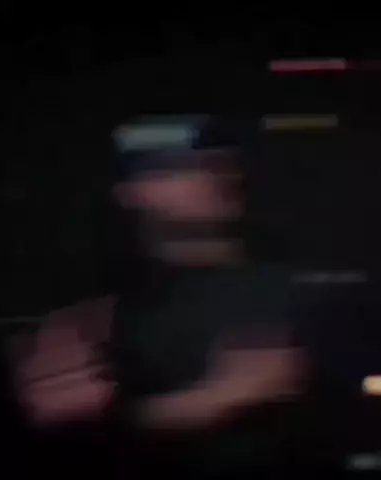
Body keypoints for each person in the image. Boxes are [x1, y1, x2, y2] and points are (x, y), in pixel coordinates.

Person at [108, 115, 303, 476]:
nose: (212, 178)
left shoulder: (286, 283)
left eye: (219, 163)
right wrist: (218, 396)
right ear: (130, 191)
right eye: (180, 168)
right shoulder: (113, 304)